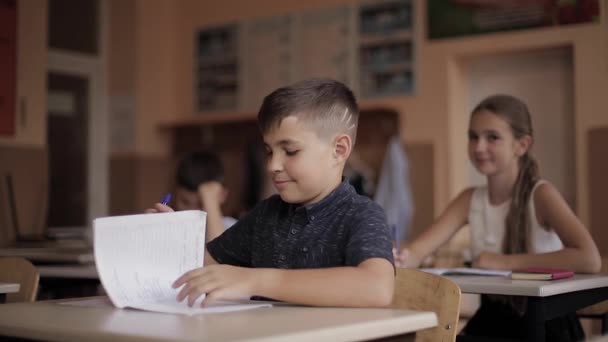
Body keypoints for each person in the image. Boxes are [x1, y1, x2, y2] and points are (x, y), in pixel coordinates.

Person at [148, 78, 395, 308]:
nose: (272, 165)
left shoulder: (362, 215)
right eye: (269, 151)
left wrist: (256, 280)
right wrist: (171, 238)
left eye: (289, 151)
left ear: (339, 150)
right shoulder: (265, 215)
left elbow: (377, 287)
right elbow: (205, 267)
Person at [394, 94, 601, 341]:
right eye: (473, 137)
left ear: (521, 145)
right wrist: (401, 258)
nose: (479, 147)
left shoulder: (542, 194)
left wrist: (503, 262)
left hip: (545, 320)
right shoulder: (469, 199)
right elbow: (418, 250)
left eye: (492, 137)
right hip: (495, 317)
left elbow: (589, 259)